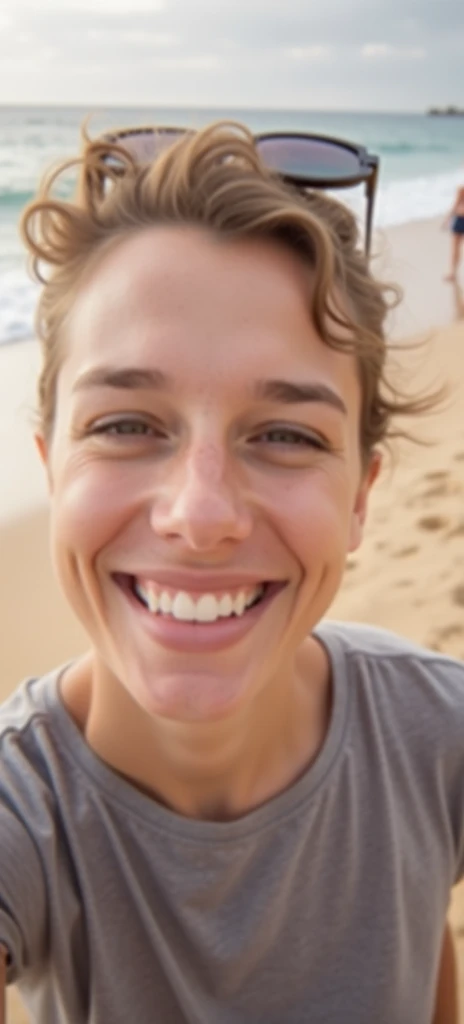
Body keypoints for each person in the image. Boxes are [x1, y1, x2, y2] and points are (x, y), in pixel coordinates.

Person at [0, 121, 462, 1024]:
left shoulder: (434, 737)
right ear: (53, 467)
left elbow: (420, 931)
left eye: (286, 435)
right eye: (127, 424)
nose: (201, 515)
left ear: (362, 496)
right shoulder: (25, 809)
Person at [443, 182, 464, 281]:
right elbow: (456, 204)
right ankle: (453, 273)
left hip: (460, 218)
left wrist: (447, 220)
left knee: (455, 249)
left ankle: (453, 273)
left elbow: (456, 205)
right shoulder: (461, 188)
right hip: (460, 219)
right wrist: (447, 219)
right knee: (455, 248)